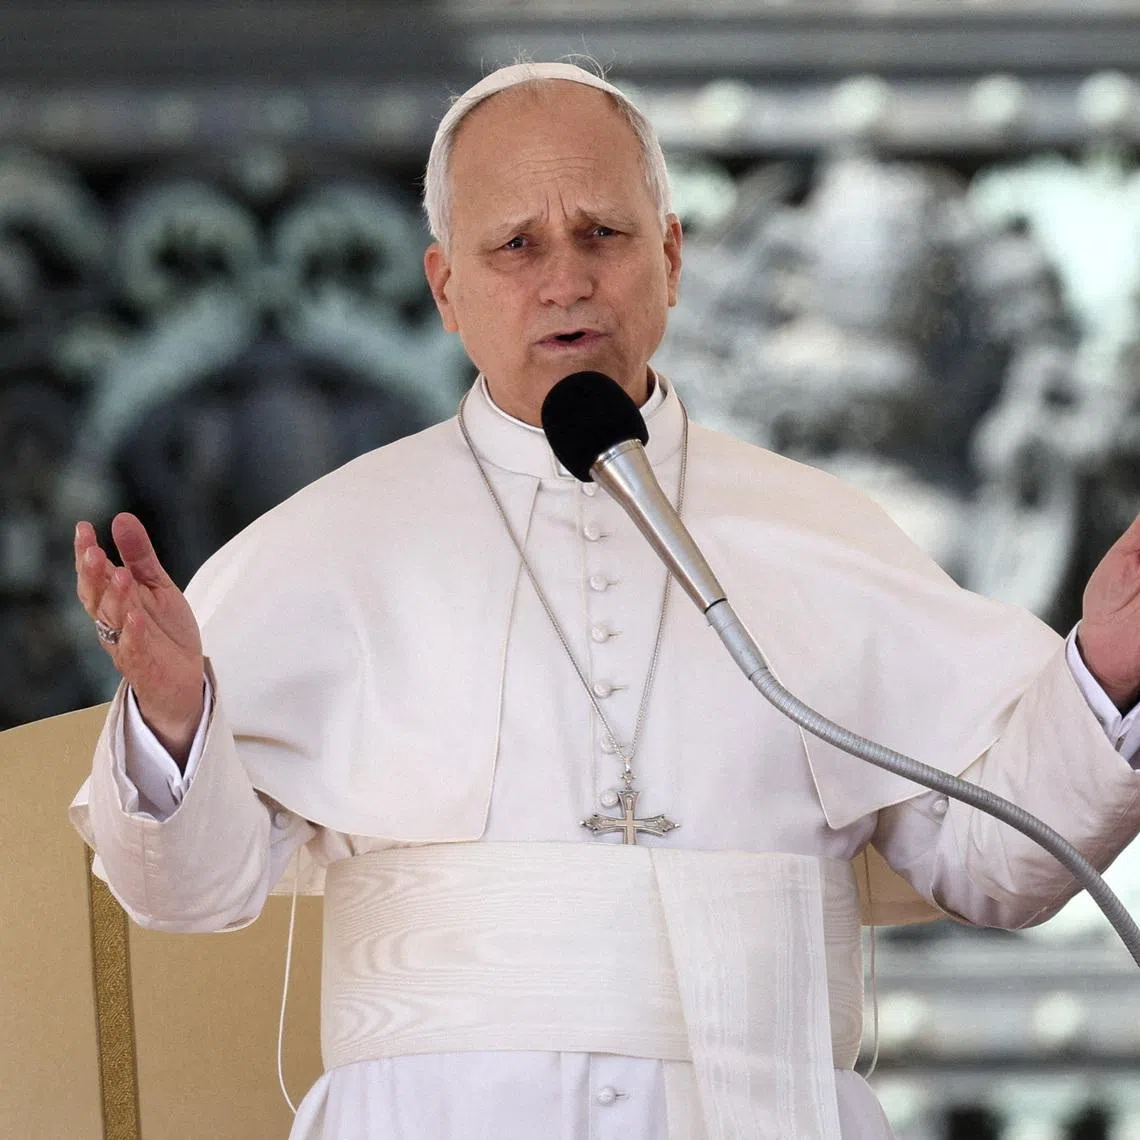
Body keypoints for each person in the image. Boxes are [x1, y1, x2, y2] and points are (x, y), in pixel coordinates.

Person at [70, 62, 1140, 1140]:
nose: (566, 280)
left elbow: (1003, 866)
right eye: (517, 245)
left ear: (670, 259)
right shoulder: (326, 546)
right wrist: (171, 721)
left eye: (604, 236)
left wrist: (1103, 671)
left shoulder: (824, 535)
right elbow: (186, 894)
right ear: (445, 289)